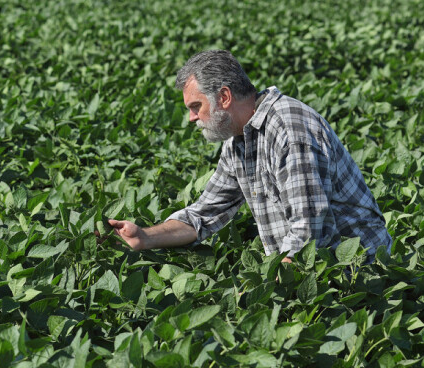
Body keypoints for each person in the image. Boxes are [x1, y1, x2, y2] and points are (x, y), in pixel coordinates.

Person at [104, 50, 392, 263]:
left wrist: (266, 290)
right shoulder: (240, 141)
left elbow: (310, 234)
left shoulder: (290, 131)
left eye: (195, 106)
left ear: (225, 97)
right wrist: (145, 236)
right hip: (308, 267)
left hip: (360, 270)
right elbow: (205, 213)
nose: (191, 118)